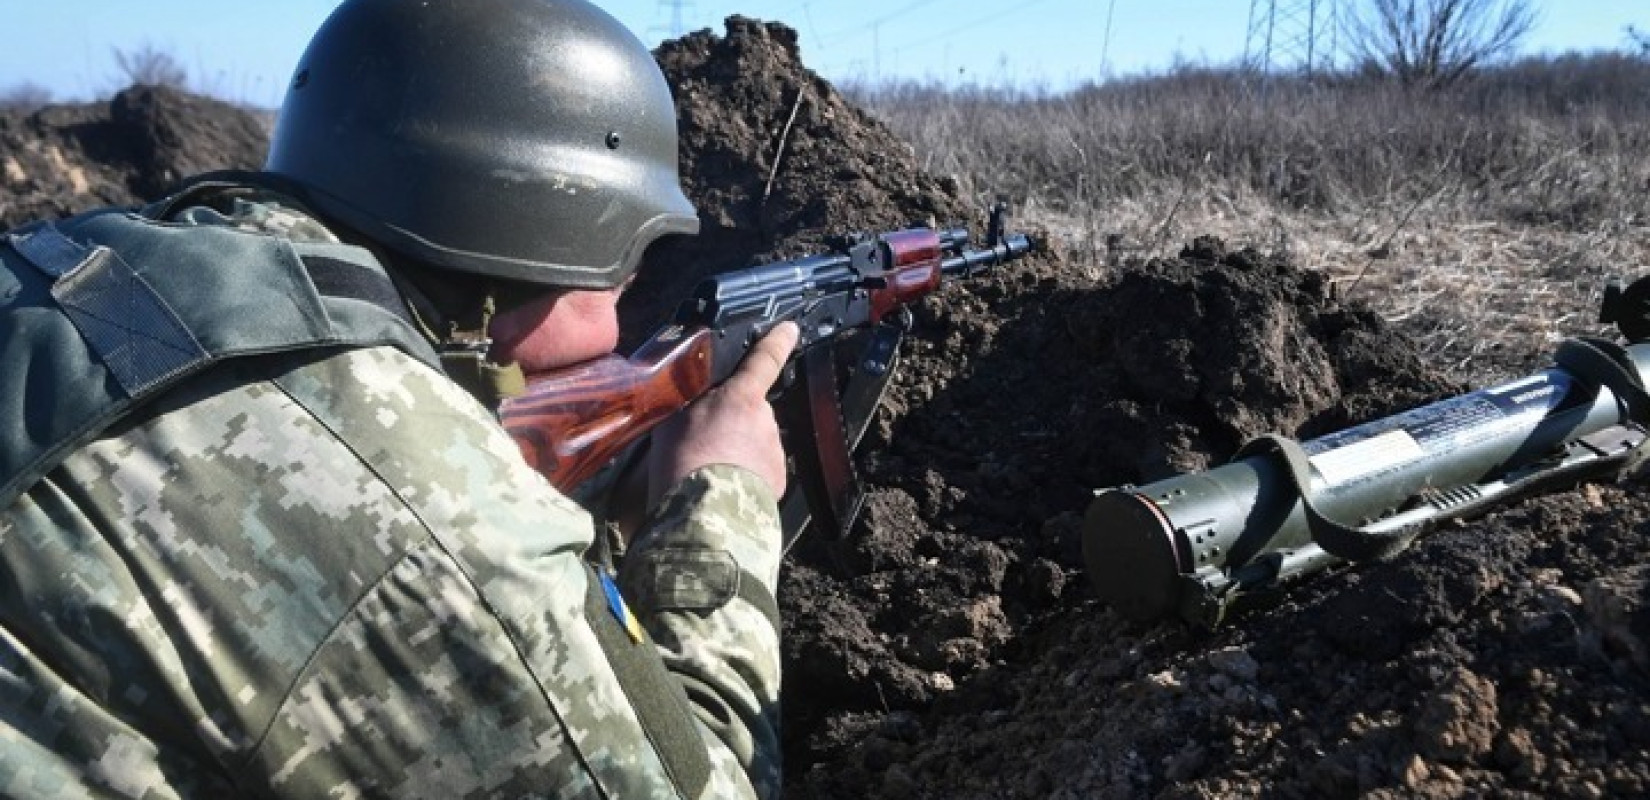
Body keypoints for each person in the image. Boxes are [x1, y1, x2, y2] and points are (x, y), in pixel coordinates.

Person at [0, 0, 795, 797]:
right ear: (549, 236)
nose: (623, 312)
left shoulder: (93, 262)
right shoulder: (433, 531)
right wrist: (724, 497)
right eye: (627, 269)